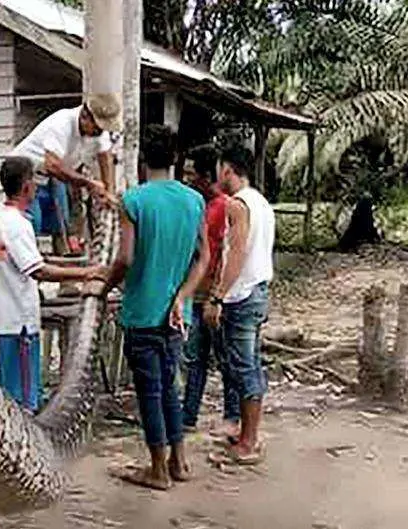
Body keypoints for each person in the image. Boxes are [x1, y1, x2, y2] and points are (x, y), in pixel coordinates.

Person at [91, 125, 211, 490]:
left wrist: (104, 285)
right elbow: (203, 258)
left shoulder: (134, 200)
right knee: (170, 388)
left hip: (142, 311)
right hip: (177, 315)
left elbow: (125, 258)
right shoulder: (194, 200)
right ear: (175, 159)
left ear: (144, 160)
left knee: (150, 391)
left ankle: (157, 469)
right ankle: (179, 461)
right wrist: (182, 296)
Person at [0, 156, 107, 412]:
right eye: (34, 182)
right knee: (23, 400)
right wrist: (88, 273)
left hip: (0, 316)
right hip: (17, 321)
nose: (37, 187)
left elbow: (31, 261)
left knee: (12, 391)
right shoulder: (16, 224)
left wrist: (76, 267)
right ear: (26, 186)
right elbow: (39, 271)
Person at [193, 144, 275, 465]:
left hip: (242, 295)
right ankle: (244, 432)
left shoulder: (238, 205)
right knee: (245, 363)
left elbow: (237, 253)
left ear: (228, 170)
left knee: (244, 367)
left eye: (220, 169)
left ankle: (250, 440)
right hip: (254, 290)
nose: (217, 175)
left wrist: (217, 296)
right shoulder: (261, 203)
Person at [179, 145, 240, 438]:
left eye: (192, 173)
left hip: (215, 295)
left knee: (224, 357)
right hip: (195, 292)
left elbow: (226, 255)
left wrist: (217, 295)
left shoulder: (226, 207)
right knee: (195, 358)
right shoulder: (195, 204)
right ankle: (188, 414)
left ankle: (232, 414)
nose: (188, 178)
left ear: (205, 176)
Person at [10, 94, 120, 255]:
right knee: (32, 223)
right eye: (97, 127)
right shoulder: (61, 123)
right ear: (84, 117)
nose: (99, 132)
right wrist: (89, 184)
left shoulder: (97, 131)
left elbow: (105, 156)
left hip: (54, 176)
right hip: (26, 175)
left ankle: (64, 267)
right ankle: (28, 266)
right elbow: (53, 165)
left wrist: (109, 191)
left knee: (62, 225)